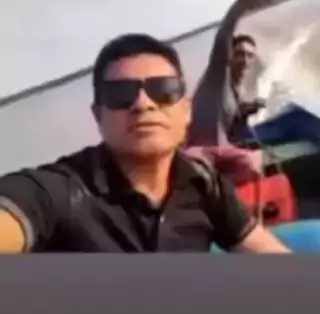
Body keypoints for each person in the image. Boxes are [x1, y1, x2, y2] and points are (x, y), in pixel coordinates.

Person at [0, 34, 290, 253]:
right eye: (120, 94)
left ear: (186, 110)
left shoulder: (205, 184)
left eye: (163, 90)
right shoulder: (64, 192)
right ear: (98, 116)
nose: (143, 104)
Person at [186, 0, 275, 185]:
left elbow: (233, 115)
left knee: (255, 163)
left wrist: (250, 107)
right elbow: (222, 41)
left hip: (223, 151)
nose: (245, 60)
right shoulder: (217, 75)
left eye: (250, 55)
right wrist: (238, 8)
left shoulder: (236, 89)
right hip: (200, 152)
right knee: (203, 177)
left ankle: (225, 191)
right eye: (240, 53)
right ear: (230, 56)